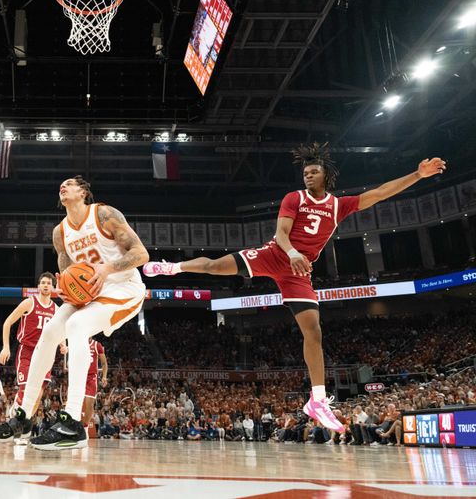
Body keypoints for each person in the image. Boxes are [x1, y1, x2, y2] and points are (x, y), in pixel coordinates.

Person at [143, 144, 446, 432]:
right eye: (305, 173)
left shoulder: (338, 206)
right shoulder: (295, 198)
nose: (308, 175)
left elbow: (380, 193)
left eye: (314, 172)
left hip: (298, 273)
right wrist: (291, 253)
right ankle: (173, 267)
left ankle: (316, 400)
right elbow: (282, 233)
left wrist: (418, 175)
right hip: (277, 255)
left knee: (313, 331)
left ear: (326, 176)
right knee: (215, 266)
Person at [0, 176, 149, 450]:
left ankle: (73, 423)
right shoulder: (59, 232)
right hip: (90, 294)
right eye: (60, 185)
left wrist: (108, 268)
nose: (62, 186)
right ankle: (23, 417)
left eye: (69, 183)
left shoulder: (104, 214)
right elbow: (66, 275)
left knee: (76, 326)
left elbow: (141, 254)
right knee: (50, 332)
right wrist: (64, 288)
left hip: (123, 288)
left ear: (83, 191)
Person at [0, 272, 62, 421]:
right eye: (43, 282)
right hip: (27, 350)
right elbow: (7, 322)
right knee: (27, 389)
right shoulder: (29, 303)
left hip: (45, 353)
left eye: (49, 283)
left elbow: (59, 330)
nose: (46, 285)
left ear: (52, 287)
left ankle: (24, 424)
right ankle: (16, 414)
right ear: (39, 286)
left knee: (38, 394)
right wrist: (6, 347)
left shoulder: (56, 309)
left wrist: (62, 344)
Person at [63, 337, 108, 431]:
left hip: (91, 377)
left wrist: (104, 376)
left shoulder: (96, 345)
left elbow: (104, 363)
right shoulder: (78, 343)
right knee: (73, 402)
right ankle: (70, 427)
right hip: (79, 375)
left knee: (89, 404)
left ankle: (85, 428)